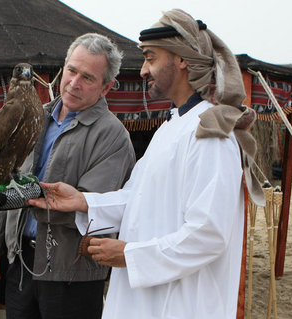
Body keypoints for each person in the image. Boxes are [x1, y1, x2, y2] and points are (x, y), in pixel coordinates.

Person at [28, 9, 264, 319]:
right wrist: (83, 201)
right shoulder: (172, 126)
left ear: (181, 59)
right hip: (146, 301)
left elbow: (209, 234)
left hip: (179, 304)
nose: (142, 70)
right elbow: (138, 199)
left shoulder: (211, 134)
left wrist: (129, 254)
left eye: (151, 58)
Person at [0, 33, 136, 318]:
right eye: (71, 71)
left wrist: (30, 195)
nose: (74, 83)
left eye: (87, 78)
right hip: (22, 263)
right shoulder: (33, 117)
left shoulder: (113, 137)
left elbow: (92, 209)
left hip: (72, 272)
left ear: (106, 87)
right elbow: (4, 179)